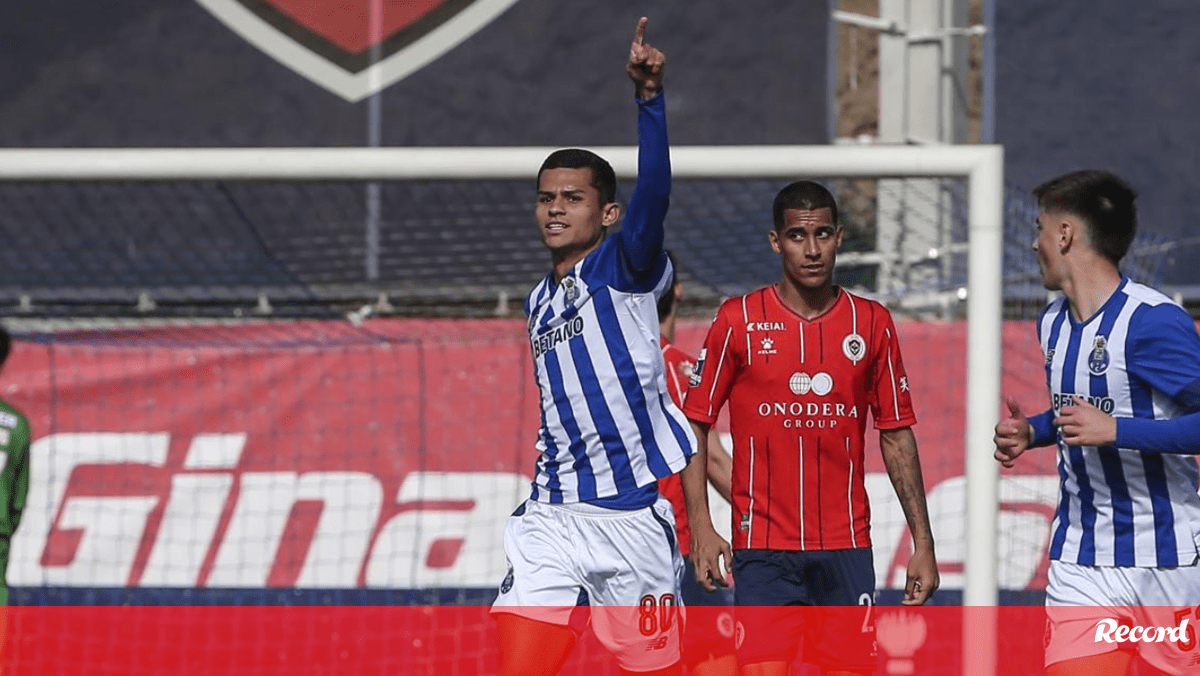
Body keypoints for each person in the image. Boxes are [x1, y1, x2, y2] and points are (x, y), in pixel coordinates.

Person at [491, 18, 714, 676]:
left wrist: (651, 102)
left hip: (632, 518)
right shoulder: (537, 301)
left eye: (573, 198)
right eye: (545, 198)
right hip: (551, 516)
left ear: (607, 213)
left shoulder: (622, 268)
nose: (555, 209)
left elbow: (657, 198)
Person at [682, 180, 939, 676]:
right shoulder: (739, 321)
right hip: (762, 551)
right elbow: (693, 425)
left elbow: (896, 436)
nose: (813, 248)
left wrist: (923, 543)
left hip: (846, 547)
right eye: (798, 236)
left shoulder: (872, 323)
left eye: (823, 234)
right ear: (776, 241)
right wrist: (700, 526)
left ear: (840, 237)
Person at [993, 170, 1200, 676]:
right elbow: (1082, 412)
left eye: (1040, 228)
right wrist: (1035, 432)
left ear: (1065, 234)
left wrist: (1118, 431)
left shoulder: (1151, 320)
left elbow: (1113, 421)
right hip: (1081, 559)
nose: (1034, 242)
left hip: (1166, 560)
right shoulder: (1052, 323)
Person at [655, 252, 737, 676]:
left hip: (627, 549)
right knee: (716, 660)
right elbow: (716, 461)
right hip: (677, 550)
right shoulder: (676, 367)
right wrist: (771, 515)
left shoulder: (609, 366)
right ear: (679, 291)